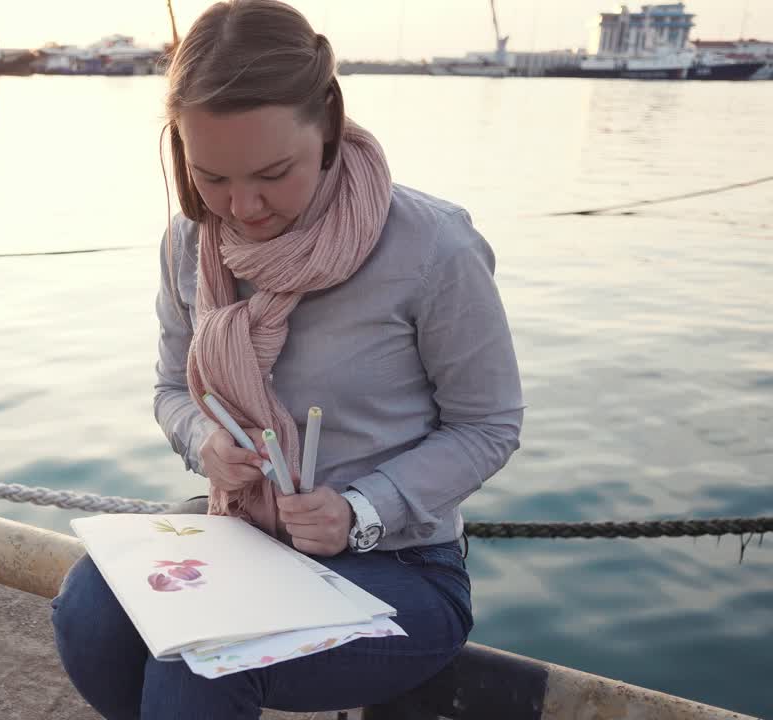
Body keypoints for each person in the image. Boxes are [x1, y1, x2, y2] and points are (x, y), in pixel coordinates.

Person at [51, 0, 524, 717]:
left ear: (328, 127)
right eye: (211, 177)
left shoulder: (433, 246)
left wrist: (360, 511)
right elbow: (171, 391)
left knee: (206, 664)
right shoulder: (189, 241)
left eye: (273, 173)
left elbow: (489, 425)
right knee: (86, 609)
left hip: (403, 565)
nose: (242, 207)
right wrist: (204, 443)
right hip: (244, 532)